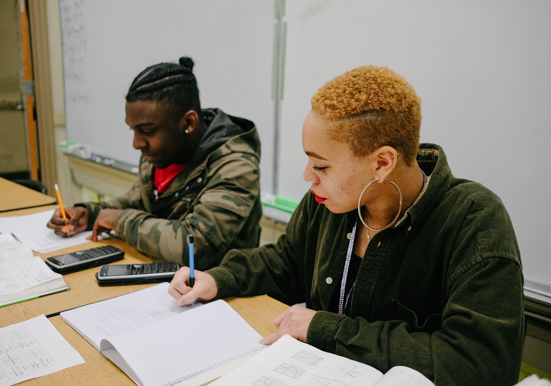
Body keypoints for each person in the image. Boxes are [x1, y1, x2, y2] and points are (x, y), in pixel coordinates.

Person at [169, 66, 525, 385]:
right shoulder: (333, 200)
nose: (308, 177)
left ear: (382, 163)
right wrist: (220, 278)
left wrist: (323, 328)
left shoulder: (474, 220)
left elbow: (482, 364)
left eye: (321, 166)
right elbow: (288, 261)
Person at [47, 57, 262, 269]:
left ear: (188, 122)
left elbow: (196, 246)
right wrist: (89, 213)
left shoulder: (236, 164)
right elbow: (138, 200)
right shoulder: (163, 152)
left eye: (147, 131)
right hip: (166, 280)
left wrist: (121, 221)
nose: (136, 143)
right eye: (133, 130)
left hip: (226, 296)